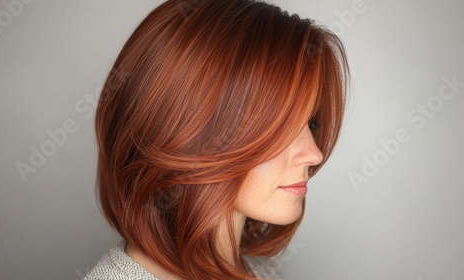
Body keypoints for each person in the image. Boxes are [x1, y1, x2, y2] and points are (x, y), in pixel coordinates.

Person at [84, 0, 349, 279]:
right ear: (191, 132)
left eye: (311, 123)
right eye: (280, 127)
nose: (315, 154)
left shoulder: (261, 273)